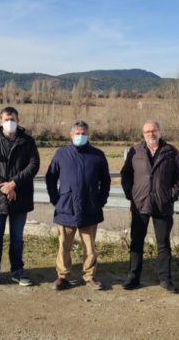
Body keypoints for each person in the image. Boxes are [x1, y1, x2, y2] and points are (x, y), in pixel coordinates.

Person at [120, 120, 179, 293]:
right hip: (140, 204)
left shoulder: (171, 152)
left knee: (163, 244)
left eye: (154, 130)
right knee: (136, 242)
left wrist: (171, 196)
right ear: (143, 134)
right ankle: (133, 277)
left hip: (162, 205)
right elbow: (126, 174)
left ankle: (165, 279)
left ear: (159, 131)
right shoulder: (135, 151)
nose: (151, 134)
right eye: (147, 131)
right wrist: (131, 194)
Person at [0, 107, 40, 287]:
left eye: (13, 119)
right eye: (6, 119)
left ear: (18, 121)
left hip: (21, 197)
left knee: (17, 239)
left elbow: (33, 165)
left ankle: (17, 271)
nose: (10, 122)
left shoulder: (27, 141)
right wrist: (4, 188)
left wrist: (14, 183)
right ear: (0, 121)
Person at [45, 120, 110, 291]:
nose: (80, 136)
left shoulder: (98, 155)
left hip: (90, 207)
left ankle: (90, 276)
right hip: (66, 207)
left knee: (89, 247)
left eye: (83, 133)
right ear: (71, 135)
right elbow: (50, 177)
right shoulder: (61, 154)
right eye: (77, 133)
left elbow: (106, 180)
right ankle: (62, 276)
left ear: (88, 135)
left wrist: (100, 200)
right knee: (64, 245)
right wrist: (55, 199)